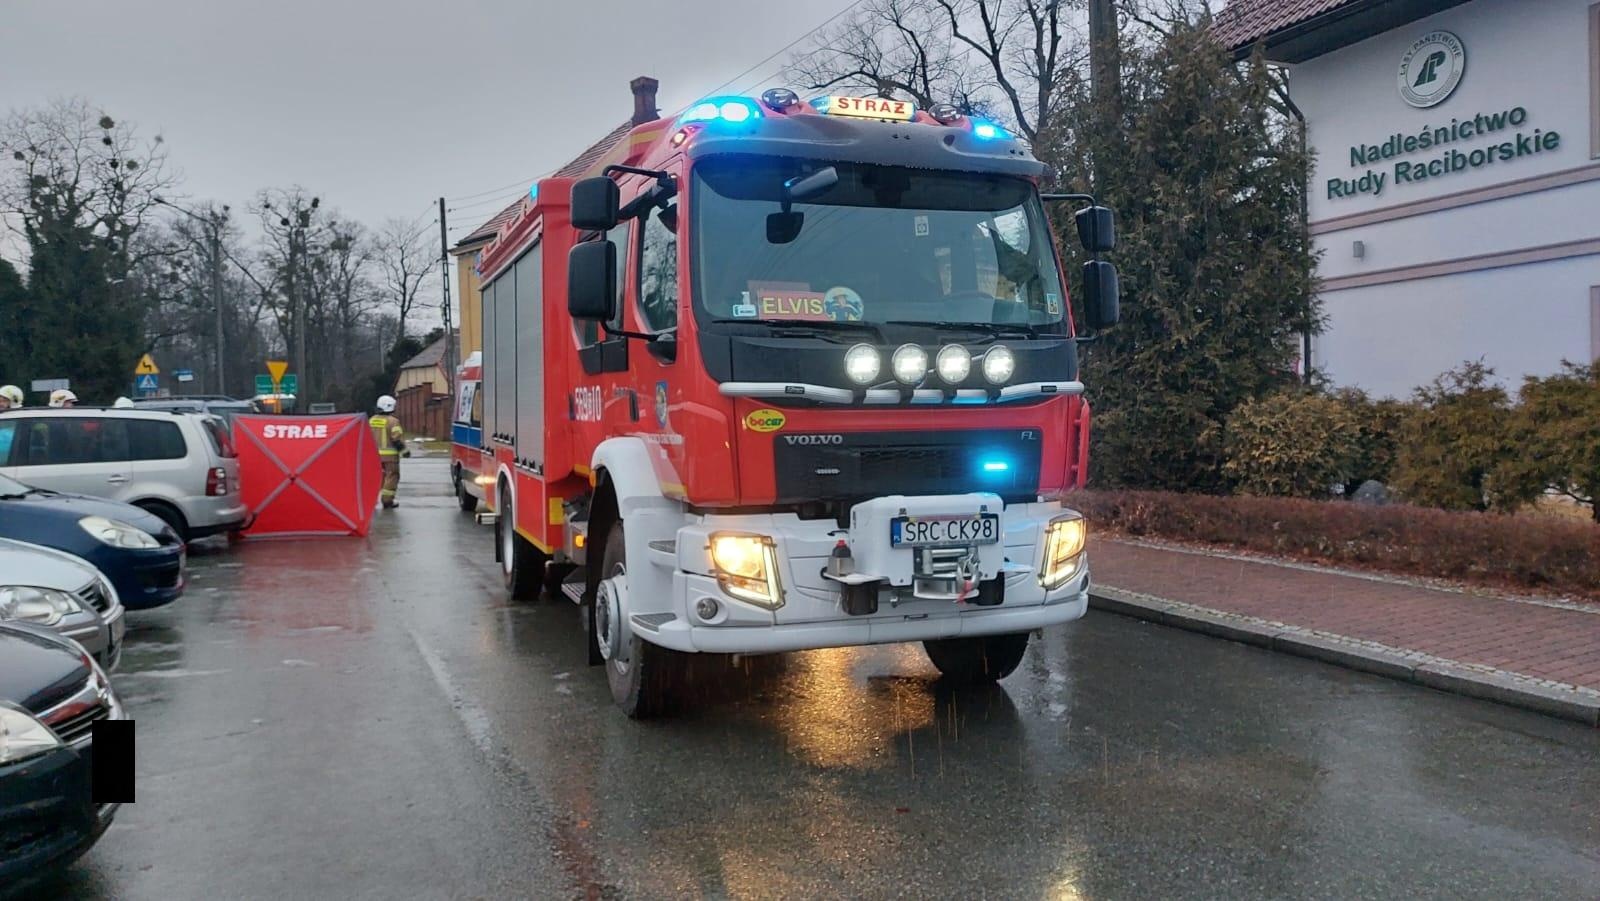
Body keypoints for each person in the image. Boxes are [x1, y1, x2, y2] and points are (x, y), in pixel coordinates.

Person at [369, 395, 408, 509]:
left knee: (376, 478)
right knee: (392, 476)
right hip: (390, 456)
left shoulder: (371, 420)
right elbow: (396, 439)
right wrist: (404, 451)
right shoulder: (393, 421)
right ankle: (387, 501)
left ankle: (371, 500)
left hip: (374, 456)